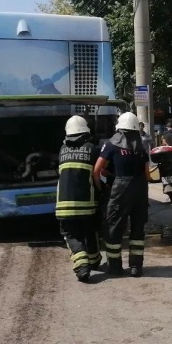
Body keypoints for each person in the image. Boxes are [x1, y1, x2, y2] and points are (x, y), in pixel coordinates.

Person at [93, 112, 150, 277]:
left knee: (114, 227)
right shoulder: (141, 147)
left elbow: (96, 170)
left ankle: (115, 267)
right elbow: (146, 175)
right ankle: (136, 267)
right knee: (138, 228)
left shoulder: (111, 145)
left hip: (120, 190)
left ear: (119, 128)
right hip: (140, 190)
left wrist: (100, 188)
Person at [56, 115, 101, 282]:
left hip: (64, 205)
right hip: (87, 203)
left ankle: (82, 266)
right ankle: (94, 261)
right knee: (90, 231)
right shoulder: (93, 148)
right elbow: (99, 174)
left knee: (71, 234)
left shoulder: (62, 150)